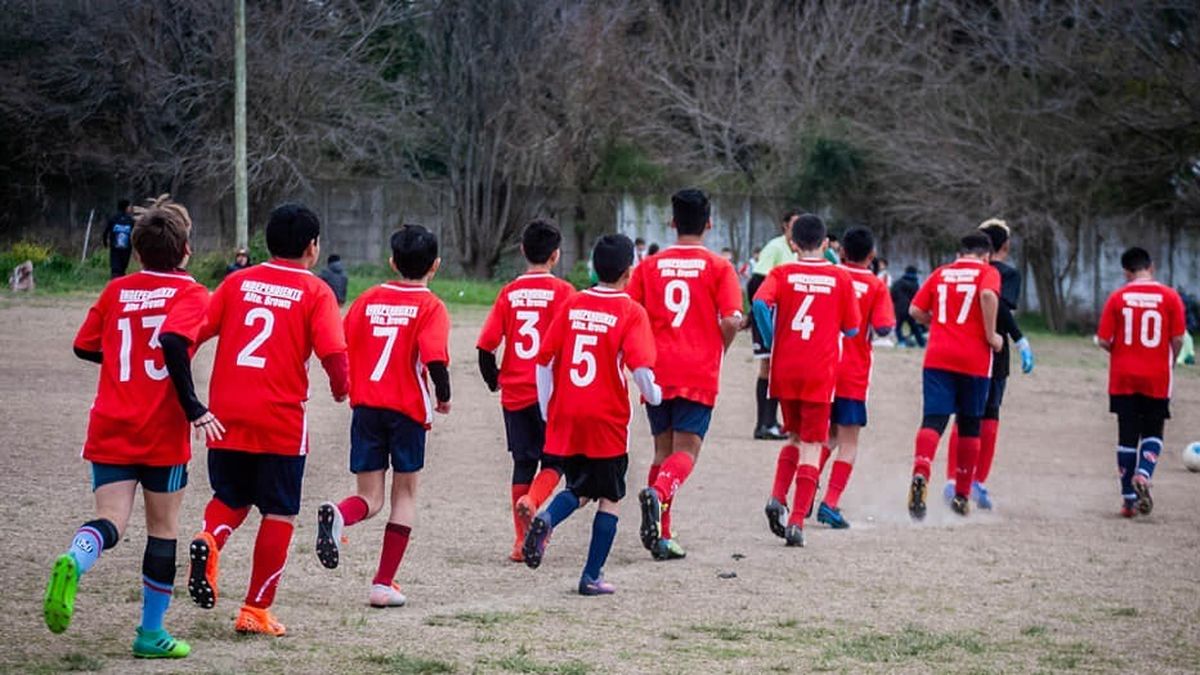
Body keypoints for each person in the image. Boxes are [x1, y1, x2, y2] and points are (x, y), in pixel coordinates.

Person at [44, 195, 219, 658]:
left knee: (111, 521)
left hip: (111, 424)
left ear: (137, 251)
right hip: (160, 431)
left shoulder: (115, 289)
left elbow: (85, 346)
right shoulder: (191, 293)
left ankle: (76, 558)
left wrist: (126, 363)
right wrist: (194, 406)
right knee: (163, 529)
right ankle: (150, 635)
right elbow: (173, 343)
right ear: (185, 251)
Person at [186, 203, 349, 637]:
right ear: (312, 248)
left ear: (267, 242)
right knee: (279, 512)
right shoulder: (317, 293)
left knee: (231, 496)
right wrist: (340, 387)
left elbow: (193, 333)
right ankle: (255, 610)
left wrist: (184, 387)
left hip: (226, 415)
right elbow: (334, 353)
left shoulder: (237, 282)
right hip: (279, 420)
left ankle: (210, 539)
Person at [314, 225, 451, 607]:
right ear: (435, 266)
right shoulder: (431, 306)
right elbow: (435, 355)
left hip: (367, 408)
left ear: (392, 262)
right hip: (406, 411)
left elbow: (339, 346)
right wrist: (444, 396)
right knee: (404, 495)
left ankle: (340, 514)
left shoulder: (368, 299)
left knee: (368, 497)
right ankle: (382, 584)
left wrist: (345, 386)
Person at [521, 234, 661, 595]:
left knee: (581, 487)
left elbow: (544, 360)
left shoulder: (573, 303)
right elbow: (642, 368)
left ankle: (548, 518)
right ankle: (592, 575)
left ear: (593, 267)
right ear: (629, 271)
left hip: (568, 410)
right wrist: (655, 396)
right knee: (610, 496)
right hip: (606, 417)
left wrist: (546, 406)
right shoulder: (631, 311)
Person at [629, 189, 742, 560]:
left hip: (656, 368)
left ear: (672, 222)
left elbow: (632, 314)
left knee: (662, 450)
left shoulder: (649, 266)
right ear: (709, 224)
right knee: (687, 451)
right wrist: (720, 347)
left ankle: (661, 533)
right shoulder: (719, 267)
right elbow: (731, 318)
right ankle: (658, 498)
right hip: (697, 369)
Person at [753, 214, 861, 547]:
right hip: (819, 372)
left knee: (794, 437)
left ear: (793, 244)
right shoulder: (839, 277)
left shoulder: (782, 272)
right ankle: (797, 520)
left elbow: (758, 302)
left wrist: (772, 341)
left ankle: (776, 496)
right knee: (813, 445)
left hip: (786, 368)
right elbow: (853, 329)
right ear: (826, 243)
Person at [476, 220, 575, 562]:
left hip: (515, 392)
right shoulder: (565, 293)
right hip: (552, 394)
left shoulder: (509, 293)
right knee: (555, 461)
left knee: (523, 461)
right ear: (556, 255)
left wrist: (495, 380)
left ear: (522, 251)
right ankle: (533, 501)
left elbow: (486, 347)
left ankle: (520, 544)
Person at [905, 232, 1003, 519]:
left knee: (933, 419)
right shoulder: (988, 272)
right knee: (970, 423)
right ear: (986, 255)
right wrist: (990, 335)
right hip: (973, 360)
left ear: (961, 253)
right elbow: (986, 295)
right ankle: (962, 494)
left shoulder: (942, 273)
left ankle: (921, 471)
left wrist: (938, 320)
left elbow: (915, 310)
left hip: (938, 355)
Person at [943, 219, 1036, 509]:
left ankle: (952, 479)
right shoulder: (1004, 273)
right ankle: (976, 481)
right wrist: (1020, 340)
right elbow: (1001, 309)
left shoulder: (959, 272)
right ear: (1005, 246)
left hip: (962, 346)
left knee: (964, 415)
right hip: (992, 350)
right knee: (989, 415)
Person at [812, 226, 895, 529]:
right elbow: (885, 327)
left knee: (826, 436)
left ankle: (806, 493)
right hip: (852, 373)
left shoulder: (830, 276)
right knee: (848, 441)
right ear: (872, 256)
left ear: (842, 252)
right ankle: (830, 503)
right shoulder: (875, 285)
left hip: (822, 368)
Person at [1095, 247, 1185, 517]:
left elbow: (1103, 340)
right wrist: (1170, 357)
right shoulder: (1170, 297)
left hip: (1124, 376)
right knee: (1153, 431)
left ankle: (1128, 500)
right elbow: (1178, 338)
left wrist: (1122, 353)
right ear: (1152, 267)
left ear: (1126, 272)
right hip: (1157, 375)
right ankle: (1144, 475)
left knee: (1127, 436)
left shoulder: (1118, 297)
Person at [747, 211, 799, 440]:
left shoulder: (798, 250)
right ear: (785, 225)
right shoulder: (775, 247)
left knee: (779, 368)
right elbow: (756, 281)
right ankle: (763, 424)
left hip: (786, 316)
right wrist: (755, 315)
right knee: (768, 366)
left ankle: (771, 421)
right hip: (768, 313)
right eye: (794, 224)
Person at [891, 266, 925, 347]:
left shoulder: (898, 283)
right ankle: (921, 343)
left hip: (899, 308)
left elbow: (892, 294)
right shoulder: (916, 284)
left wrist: (896, 303)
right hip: (910, 309)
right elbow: (918, 297)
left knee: (898, 327)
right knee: (914, 327)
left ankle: (901, 342)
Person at [102, 199, 135, 278]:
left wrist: (105, 242)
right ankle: (116, 281)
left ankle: (118, 281)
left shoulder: (114, 218)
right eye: (129, 206)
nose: (131, 208)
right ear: (126, 207)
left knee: (117, 268)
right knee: (118, 268)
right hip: (124, 249)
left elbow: (106, 232)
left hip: (116, 248)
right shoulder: (129, 220)